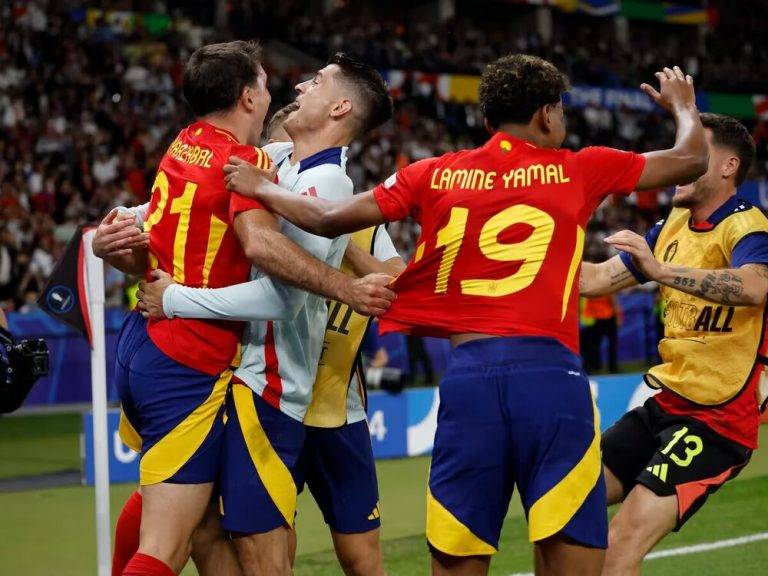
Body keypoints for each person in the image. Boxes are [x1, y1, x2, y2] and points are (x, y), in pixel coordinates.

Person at [222, 55, 709, 575]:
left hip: (468, 382)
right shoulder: (580, 166)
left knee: (458, 560)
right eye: (560, 112)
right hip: (552, 380)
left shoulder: (434, 173)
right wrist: (683, 107)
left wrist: (261, 187)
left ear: (486, 120)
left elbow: (325, 218)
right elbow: (691, 158)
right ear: (546, 115)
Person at [98, 42, 393, 576]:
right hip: (227, 371)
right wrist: (120, 221)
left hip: (265, 390)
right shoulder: (280, 160)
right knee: (192, 528)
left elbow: (279, 296)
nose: (300, 85)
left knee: (234, 547)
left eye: (318, 81)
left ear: (340, 108)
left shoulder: (325, 182)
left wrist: (173, 296)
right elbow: (187, 197)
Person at [580, 113, 768, 574]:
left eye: (693, 152)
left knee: (620, 544)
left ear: (727, 166)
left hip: (718, 421)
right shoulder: (670, 227)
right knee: (570, 499)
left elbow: (755, 287)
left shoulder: (748, 226)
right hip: (667, 405)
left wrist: (661, 272)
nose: (679, 162)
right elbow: (598, 277)